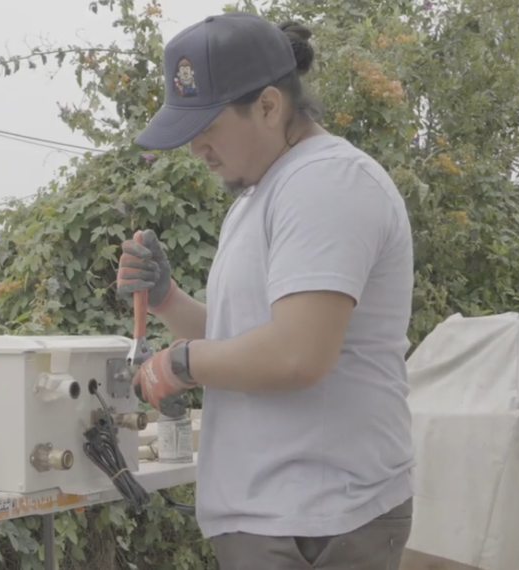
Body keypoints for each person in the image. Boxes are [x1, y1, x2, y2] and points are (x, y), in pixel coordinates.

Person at [116, 12, 416, 570]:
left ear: (270, 106)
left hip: (321, 520)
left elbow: (296, 355)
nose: (197, 149)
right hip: (283, 518)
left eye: (208, 128)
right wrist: (167, 301)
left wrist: (179, 363)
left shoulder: (326, 183)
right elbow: (248, 341)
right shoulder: (262, 196)